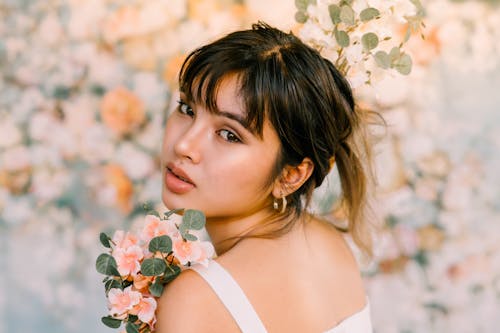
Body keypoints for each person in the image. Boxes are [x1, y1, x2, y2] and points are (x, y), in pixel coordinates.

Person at [157, 22, 376, 333]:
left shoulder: (196, 300)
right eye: (187, 109)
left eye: (229, 135)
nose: (183, 145)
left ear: (291, 175)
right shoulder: (325, 240)